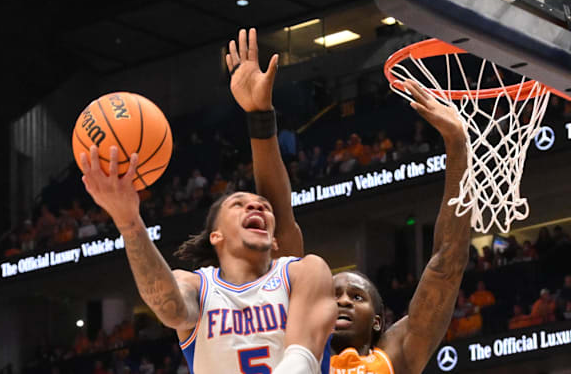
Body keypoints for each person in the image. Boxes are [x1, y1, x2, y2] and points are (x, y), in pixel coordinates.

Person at [78, 30, 337, 374]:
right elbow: (169, 308)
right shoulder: (198, 288)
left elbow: (301, 356)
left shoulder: (302, 271)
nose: (256, 206)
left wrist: (260, 115)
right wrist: (128, 222)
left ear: (275, 239)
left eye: (262, 207)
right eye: (239, 205)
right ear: (216, 236)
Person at [235, 32, 472, 373]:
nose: (342, 300)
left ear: (378, 322)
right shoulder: (295, 348)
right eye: (334, 295)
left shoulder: (395, 355)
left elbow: (447, 263)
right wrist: (259, 116)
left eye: (356, 298)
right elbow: (280, 220)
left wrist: (457, 146)